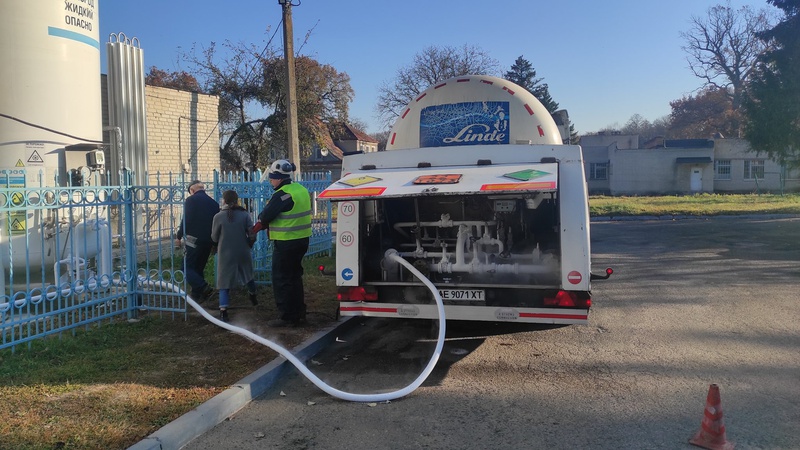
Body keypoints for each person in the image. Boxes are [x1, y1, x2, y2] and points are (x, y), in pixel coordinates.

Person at [255, 159, 312, 327]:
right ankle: (299, 312)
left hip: (287, 242)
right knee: (295, 277)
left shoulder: (283, 194)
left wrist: (259, 223)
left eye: (272, 178)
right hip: (302, 240)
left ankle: (287, 316)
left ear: (279, 178)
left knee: (282, 278)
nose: (271, 181)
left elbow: (265, 216)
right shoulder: (301, 189)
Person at [211, 190, 258, 322]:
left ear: (224, 201)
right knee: (248, 274)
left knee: (224, 281)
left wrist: (215, 245)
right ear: (237, 200)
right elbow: (252, 232)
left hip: (225, 252)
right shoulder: (244, 214)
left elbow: (214, 237)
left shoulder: (218, 216)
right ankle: (253, 295)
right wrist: (249, 243)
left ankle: (223, 311)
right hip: (243, 250)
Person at [176, 180, 219, 303]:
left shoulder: (191, 200)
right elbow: (216, 224)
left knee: (186, 267)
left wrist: (179, 236)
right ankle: (197, 295)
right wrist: (215, 243)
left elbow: (187, 220)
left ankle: (203, 287)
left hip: (193, 240)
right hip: (209, 240)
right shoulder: (214, 203)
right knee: (198, 267)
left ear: (192, 190)